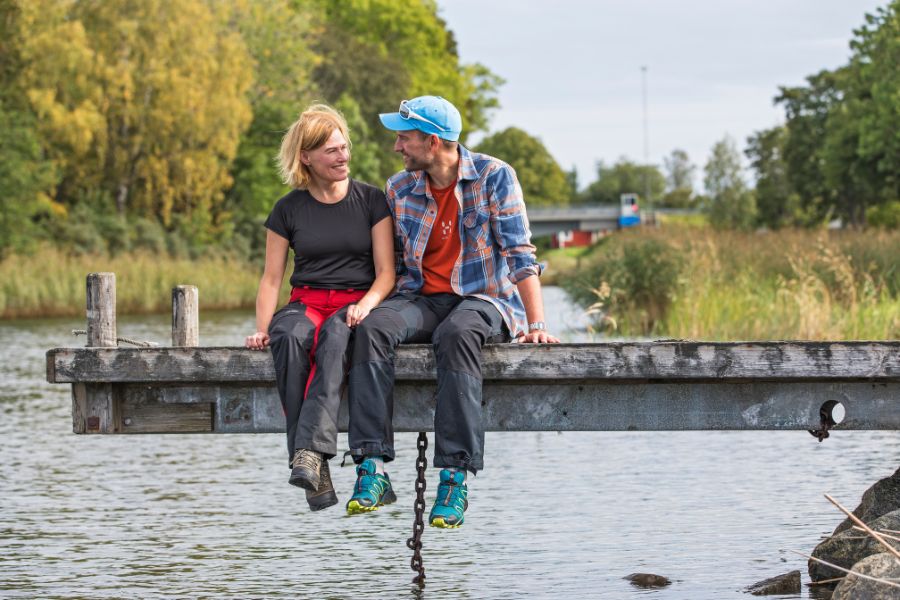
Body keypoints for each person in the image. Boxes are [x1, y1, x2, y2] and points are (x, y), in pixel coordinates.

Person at [343, 95, 559, 526]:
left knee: (457, 334)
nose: (397, 147)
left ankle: (455, 477)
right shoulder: (398, 188)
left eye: (404, 138)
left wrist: (536, 325)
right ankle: (371, 469)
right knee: (371, 330)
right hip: (421, 298)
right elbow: (390, 265)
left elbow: (520, 254)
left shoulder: (495, 177)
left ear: (435, 141)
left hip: (483, 299)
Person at [245, 104, 395, 512]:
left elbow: (386, 273)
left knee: (333, 338)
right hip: (306, 301)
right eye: (331, 150)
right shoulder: (287, 209)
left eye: (344, 148)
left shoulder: (372, 201)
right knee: (288, 337)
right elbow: (272, 278)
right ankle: (314, 462)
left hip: (354, 304)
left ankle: (308, 454)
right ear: (306, 157)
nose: (343, 156)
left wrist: (366, 304)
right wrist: (261, 327)